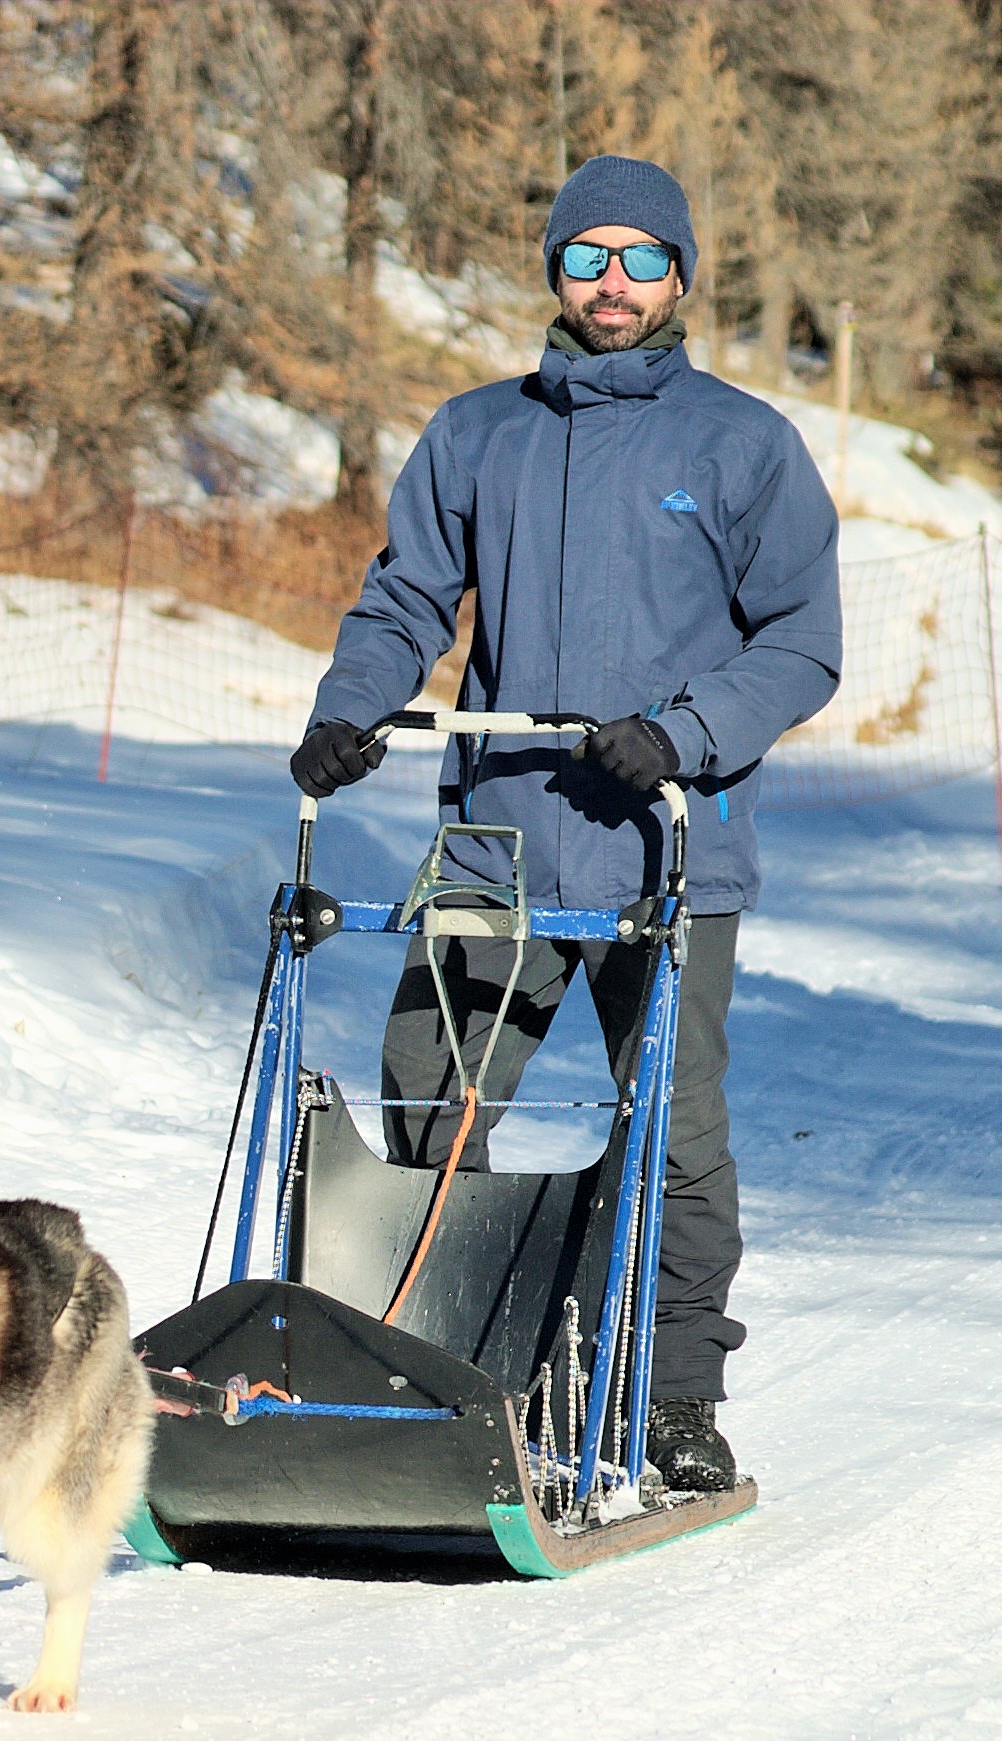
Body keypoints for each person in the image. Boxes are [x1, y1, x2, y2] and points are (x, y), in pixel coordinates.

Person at [291, 155, 840, 1492]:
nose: (614, 282)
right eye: (589, 256)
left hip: (670, 852)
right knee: (432, 1096)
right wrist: (352, 708)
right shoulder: (482, 434)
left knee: (675, 1131)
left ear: (680, 277)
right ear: (555, 270)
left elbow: (802, 645)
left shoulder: (742, 443)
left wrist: (686, 735)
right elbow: (405, 600)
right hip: (502, 842)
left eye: (642, 259)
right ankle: (433, 1367)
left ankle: (669, 1401)